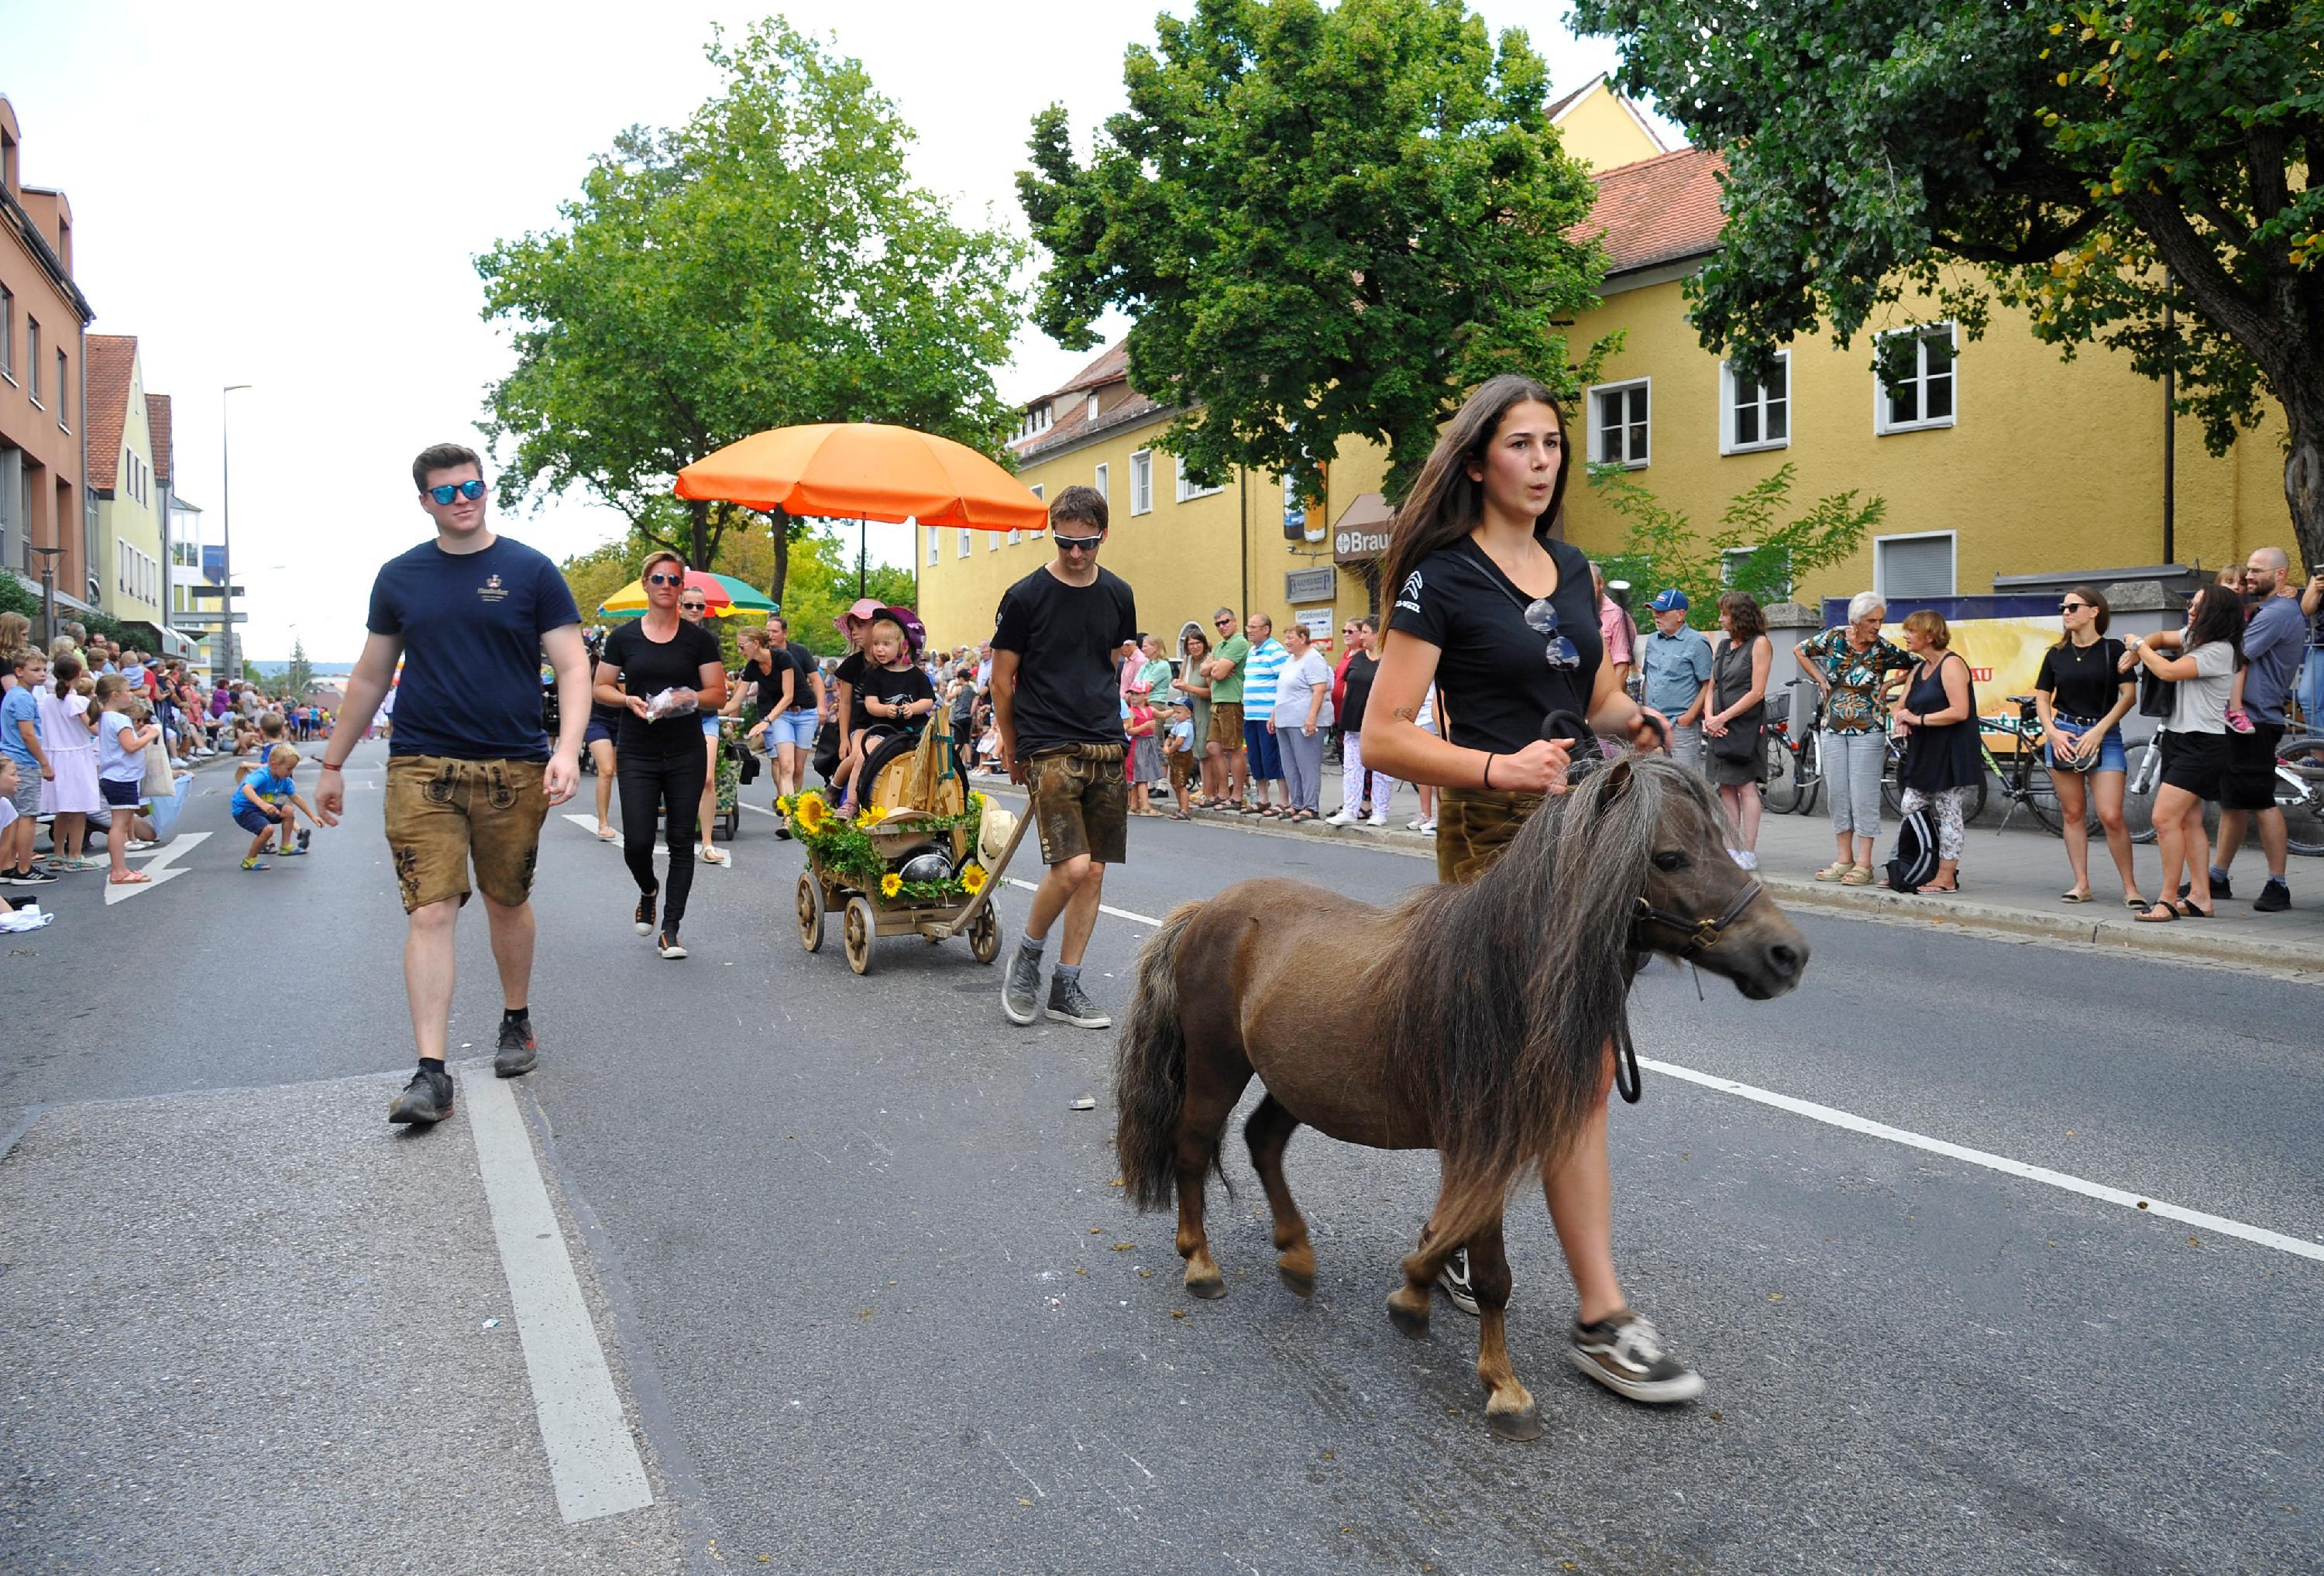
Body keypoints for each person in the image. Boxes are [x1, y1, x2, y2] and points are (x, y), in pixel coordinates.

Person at [1359, 373, 1697, 1406]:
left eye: (1554, 441)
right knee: (1547, 1060)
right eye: (1521, 443)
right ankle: (1601, 1314)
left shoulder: (1573, 565)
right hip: (1496, 832)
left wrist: (1630, 718)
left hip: (1585, 826)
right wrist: (1502, 767)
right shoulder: (1439, 580)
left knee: (1568, 1060)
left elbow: (1583, 687)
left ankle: (1458, 1234)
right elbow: (1384, 731)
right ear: (1477, 461)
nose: (1544, 459)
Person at [315, 441, 590, 1124]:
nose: (462, 499)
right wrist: (330, 763)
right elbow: (372, 675)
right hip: (421, 766)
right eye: (445, 492)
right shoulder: (400, 577)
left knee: (506, 900)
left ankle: (515, 1020)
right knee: (430, 910)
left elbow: (573, 667)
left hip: (513, 767)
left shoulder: (530, 571)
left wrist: (567, 749)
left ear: (485, 489)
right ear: (424, 502)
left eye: (471, 487)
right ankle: (430, 1073)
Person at [992, 483, 1137, 1031]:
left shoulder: (1119, 593)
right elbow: (1003, 681)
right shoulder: (1025, 596)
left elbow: (1108, 658)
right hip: (1046, 741)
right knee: (1071, 865)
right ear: (1053, 533)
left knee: (1095, 871)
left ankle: (1066, 986)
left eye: (1087, 543)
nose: (1076, 554)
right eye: (1065, 542)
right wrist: (1012, 744)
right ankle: (1027, 958)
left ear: (1103, 534)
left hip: (1104, 738)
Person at [597, 550, 726, 960]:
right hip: (637, 748)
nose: (667, 586)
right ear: (645, 585)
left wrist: (687, 696)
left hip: (685, 750)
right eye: (659, 579)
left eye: (674, 580)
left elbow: (717, 695)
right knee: (636, 840)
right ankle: (649, 889)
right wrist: (626, 699)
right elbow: (599, 687)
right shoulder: (623, 638)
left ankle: (671, 928)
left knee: (680, 840)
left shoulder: (700, 639)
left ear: (683, 586)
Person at [2123, 582, 2242, 921]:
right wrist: (2141, 649)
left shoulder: (2220, 650)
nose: (2190, 609)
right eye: (2192, 602)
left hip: (2203, 744)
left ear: (2216, 614)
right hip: (2180, 738)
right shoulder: (2196, 638)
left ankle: (2167, 900)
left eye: (2199, 606)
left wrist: (2136, 644)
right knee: (2189, 821)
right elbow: (2162, 638)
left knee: (2163, 819)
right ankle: (2201, 897)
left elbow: (2167, 670)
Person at [2206, 547, 2305, 911]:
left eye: (2257, 571)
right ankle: (2217, 876)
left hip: (2256, 720)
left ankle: (2278, 885)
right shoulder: (2269, 610)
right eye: (2247, 570)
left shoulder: (2275, 614)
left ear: (2280, 575)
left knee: (2261, 801)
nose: (2249, 576)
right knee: (2233, 802)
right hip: (2244, 719)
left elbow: (2234, 656)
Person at [2034, 586, 2142, 908]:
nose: (2066, 612)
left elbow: (2129, 696)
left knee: (2111, 815)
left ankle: (2131, 887)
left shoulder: (2111, 650)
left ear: (2095, 611)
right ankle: (2081, 883)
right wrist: (2052, 731)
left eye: (2073, 607)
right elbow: (2042, 697)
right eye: (2063, 607)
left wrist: (2099, 730)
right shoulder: (2055, 654)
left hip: (2103, 733)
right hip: (2064, 732)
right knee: (2073, 812)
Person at [1796, 593, 1914, 885]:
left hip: (1869, 729)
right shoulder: (1835, 638)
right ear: (1855, 622)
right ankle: (1844, 858)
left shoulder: (1883, 649)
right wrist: (1821, 679)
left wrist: (1890, 684)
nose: (1877, 627)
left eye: (1880, 621)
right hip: (1832, 726)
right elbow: (1800, 650)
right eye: (1871, 621)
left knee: (1863, 795)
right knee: (1837, 793)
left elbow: (1917, 664)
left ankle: (1864, 863)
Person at [1889, 609, 1979, 895]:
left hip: (1950, 750)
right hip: (1923, 751)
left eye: (1911, 631)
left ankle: (1946, 876)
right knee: (1910, 806)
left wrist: (1918, 720)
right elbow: (1900, 704)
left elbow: (1959, 711)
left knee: (1949, 811)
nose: (1906, 636)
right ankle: (1916, 864)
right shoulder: (1919, 668)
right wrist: (1900, 718)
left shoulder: (1952, 665)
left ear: (1930, 635)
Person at [1700, 592, 1772, 869]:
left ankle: (1749, 851)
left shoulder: (1760, 644)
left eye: (1725, 614)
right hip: (1719, 724)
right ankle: (1731, 848)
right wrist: (1709, 716)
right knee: (1726, 787)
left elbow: (1757, 691)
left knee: (1745, 785)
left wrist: (1724, 718)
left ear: (1740, 615)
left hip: (1744, 724)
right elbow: (1712, 686)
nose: (1720, 619)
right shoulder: (1723, 646)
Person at [840, 613, 937, 806]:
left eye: (886, 644)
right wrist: (886, 710)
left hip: (915, 731)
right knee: (863, 755)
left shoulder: (918, 676)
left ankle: (935, 799)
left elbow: (928, 701)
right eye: (876, 644)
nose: (879, 649)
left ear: (903, 646)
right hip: (884, 730)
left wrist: (913, 708)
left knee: (938, 757)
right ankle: (850, 802)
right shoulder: (875, 676)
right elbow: (871, 705)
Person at [672, 584, 734, 868]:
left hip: (705, 715)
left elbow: (717, 681)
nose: (695, 611)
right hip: (674, 717)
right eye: (689, 605)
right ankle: (678, 835)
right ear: (679, 606)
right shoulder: (666, 636)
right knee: (675, 780)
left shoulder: (709, 640)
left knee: (707, 779)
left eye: (700, 606)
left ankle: (707, 843)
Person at [93, 675, 160, 887]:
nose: (131, 694)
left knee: (119, 824)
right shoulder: (120, 719)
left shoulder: (106, 717)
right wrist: (150, 735)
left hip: (113, 775)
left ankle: (120, 868)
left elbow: (124, 741)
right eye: (127, 690)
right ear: (116, 695)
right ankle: (119, 871)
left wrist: (139, 733)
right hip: (122, 776)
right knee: (120, 826)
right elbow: (130, 747)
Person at [37, 653, 101, 871]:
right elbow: (92, 728)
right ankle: (74, 854)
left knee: (61, 809)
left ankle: (57, 855)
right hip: (76, 756)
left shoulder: (46, 700)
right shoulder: (78, 701)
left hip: (54, 756)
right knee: (79, 808)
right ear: (77, 674)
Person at [1328, 616, 1393, 828]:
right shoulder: (1357, 658)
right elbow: (1348, 688)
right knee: (1352, 768)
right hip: (1353, 721)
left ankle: (1379, 811)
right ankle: (1350, 810)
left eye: (1365, 632)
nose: (1361, 636)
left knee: (1381, 769)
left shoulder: (1389, 660)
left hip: (1378, 723)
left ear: (1377, 634)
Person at [1638, 589, 1714, 770]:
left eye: (1662, 611)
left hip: (1681, 728)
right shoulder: (1652, 641)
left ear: (1680, 615)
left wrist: (1688, 717)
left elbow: (1708, 683)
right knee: (1655, 780)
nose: (1656, 615)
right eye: (1655, 611)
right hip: (1654, 725)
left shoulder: (1697, 642)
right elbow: (1648, 677)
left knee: (1684, 782)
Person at [2, 649, 55, 888]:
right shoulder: (23, 697)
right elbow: (28, 733)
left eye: (44, 669)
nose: (42, 674)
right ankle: (23, 868)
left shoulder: (13, 694)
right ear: (19, 671)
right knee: (27, 816)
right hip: (24, 760)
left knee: (14, 816)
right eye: (36, 670)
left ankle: (8, 865)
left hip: (13, 758)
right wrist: (44, 762)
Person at [1270, 620, 1333, 821]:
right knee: (1290, 765)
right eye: (1286, 637)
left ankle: (1310, 806)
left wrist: (1311, 717)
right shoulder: (1291, 660)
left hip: (1303, 721)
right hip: (1285, 719)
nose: (1286, 642)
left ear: (1303, 638)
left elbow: (1319, 689)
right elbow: (1283, 690)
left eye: (1290, 637)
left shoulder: (1313, 659)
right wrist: (1274, 715)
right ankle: (1296, 803)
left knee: (1307, 765)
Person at [232, 744, 317, 872]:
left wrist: (312, 816)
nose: (291, 772)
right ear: (274, 764)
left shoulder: (284, 780)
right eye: (289, 769)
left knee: (288, 811)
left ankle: (285, 846)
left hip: (261, 808)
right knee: (267, 830)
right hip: (244, 810)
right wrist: (263, 804)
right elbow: (246, 788)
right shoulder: (263, 774)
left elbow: (296, 798)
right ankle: (249, 860)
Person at [1204, 608, 1252, 809]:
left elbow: (1219, 674)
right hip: (1218, 700)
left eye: (1225, 622)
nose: (1222, 627)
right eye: (1218, 624)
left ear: (1234, 621)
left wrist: (1215, 667)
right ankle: (1222, 792)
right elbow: (1204, 670)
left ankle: (1237, 796)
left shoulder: (1239, 642)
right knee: (1213, 747)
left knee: (1233, 749)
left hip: (1233, 700)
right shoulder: (1220, 646)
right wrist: (1215, 666)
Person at [1241, 615, 1290, 815]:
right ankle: (1263, 798)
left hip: (1267, 715)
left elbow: (1285, 682)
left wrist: (1276, 711)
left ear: (1266, 629)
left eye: (1254, 627)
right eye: (1249, 627)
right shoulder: (1252, 651)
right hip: (1251, 714)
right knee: (1256, 757)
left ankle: (1284, 800)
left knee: (1273, 758)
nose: (1250, 630)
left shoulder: (1276, 651)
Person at [583, 637, 623, 840]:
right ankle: (603, 823)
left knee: (625, 772)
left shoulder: (629, 666)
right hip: (597, 720)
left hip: (625, 721)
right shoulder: (590, 669)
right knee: (607, 770)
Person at [1126, 692, 1160, 815]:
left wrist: (1175, 711)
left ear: (1145, 696)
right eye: (1132, 694)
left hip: (1147, 744)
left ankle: (1134, 805)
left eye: (1137, 694)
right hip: (1137, 744)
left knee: (1139, 777)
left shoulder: (1149, 709)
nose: (1133, 697)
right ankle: (1145, 807)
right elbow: (1130, 731)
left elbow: (1161, 714)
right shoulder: (1131, 711)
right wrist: (1144, 726)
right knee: (1142, 777)